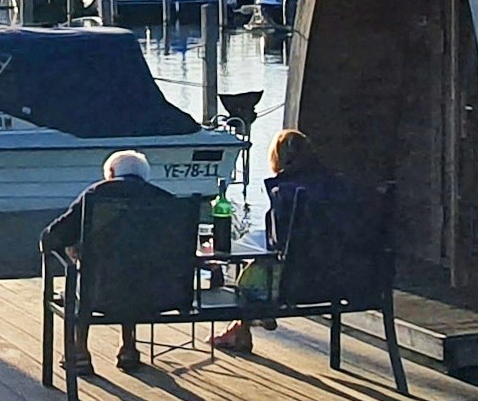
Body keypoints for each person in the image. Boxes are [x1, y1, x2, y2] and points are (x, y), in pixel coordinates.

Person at [211, 128, 354, 354]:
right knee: (258, 267)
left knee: (248, 279)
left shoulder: (285, 192)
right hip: (345, 277)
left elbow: (278, 243)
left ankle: (245, 325)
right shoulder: (340, 185)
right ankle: (239, 329)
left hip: (298, 284)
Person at [43, 150, 184, 373]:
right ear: (144, 176)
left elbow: (51, 237)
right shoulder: (166, 200)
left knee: (91, 274)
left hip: (100, 292)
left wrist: (72, 249)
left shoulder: (96, 194)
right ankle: (128, 347)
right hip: (159, 295)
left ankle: (80, 351)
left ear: (110, 173)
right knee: (133, 268)